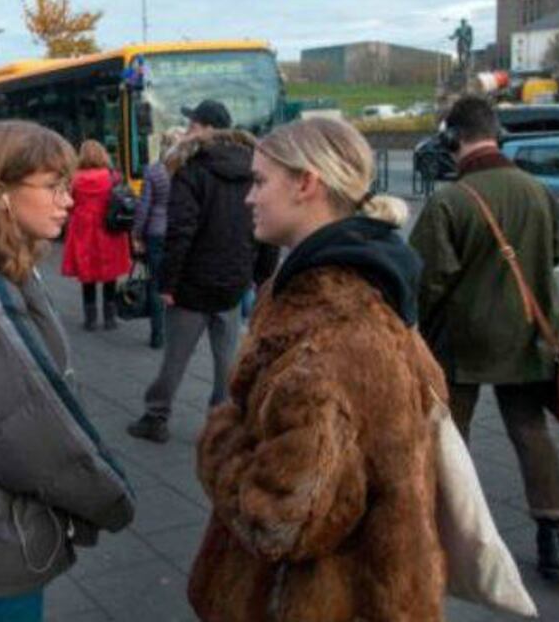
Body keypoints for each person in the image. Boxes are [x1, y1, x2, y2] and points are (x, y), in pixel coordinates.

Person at [189, 118, 447, 621]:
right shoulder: (358, 287)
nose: (249, 197)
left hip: (314, 602)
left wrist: (219, 438)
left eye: (260, 181)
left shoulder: (331, 329)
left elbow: (283, 519)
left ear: (306, 183)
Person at [0, 120, 135, 622]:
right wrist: (113, 501)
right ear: (0, 195)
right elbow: (35, 435)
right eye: (53, 186)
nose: (67, 200)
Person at [410, 95, 559, 582]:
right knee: (530, 432)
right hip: (528, 336)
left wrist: (415, 334)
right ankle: (552, 538)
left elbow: (428, 279)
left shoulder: (450, 200)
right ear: (495, 134)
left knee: (450, 437)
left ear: (453, 139)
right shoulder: (537, 191)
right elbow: (549, 258)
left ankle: (445, 534)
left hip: (462, 341)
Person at [128, 105, 278, 443]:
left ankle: (156, 417)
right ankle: (221, 421)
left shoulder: (191, 169)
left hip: (192, 285)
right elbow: (266, 227)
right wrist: (262, 276)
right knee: (227, 359)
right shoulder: (255, 169)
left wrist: (167, 283)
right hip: (234, 282)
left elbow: (180, 231)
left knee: (175, 357)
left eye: (192, 124)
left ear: (205, 128)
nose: (188, 130)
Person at [61, 139, 132, 330]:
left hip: (83, 229)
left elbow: (69, 205)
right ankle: (110, 319)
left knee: (88, 274)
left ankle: (90, 320)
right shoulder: (112, 177)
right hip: (108, 228)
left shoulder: (75, 179)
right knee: (110, 274)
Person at [131, 130, 177, 348]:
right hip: (181, 234)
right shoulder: (188, 170)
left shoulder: (154, 171)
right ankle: (180, 335)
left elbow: (144, 207)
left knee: (156, 283)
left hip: (156, 233)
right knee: (178, 284)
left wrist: (137, 234)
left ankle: (157, 335)